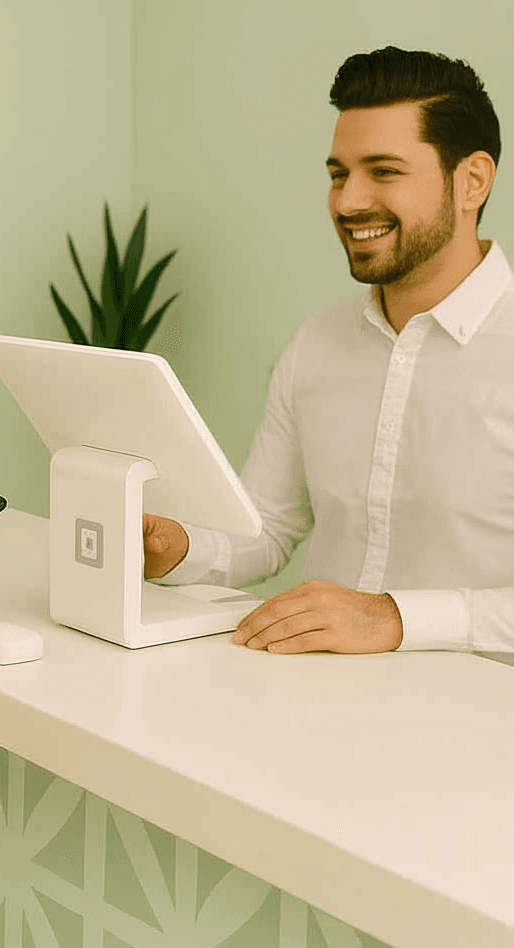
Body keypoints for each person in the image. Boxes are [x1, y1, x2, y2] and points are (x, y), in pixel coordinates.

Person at [142, 46, 509, 657]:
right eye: (339, 174)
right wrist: (178, 548)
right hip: (318, 708)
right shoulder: (317, 343)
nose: (347, 201)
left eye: (384, 171)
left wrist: (395, 619)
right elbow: (268, 528)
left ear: (471, 180)